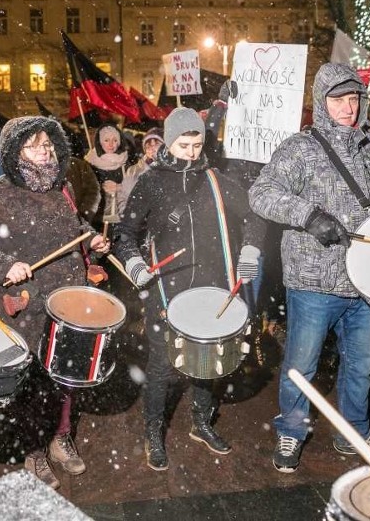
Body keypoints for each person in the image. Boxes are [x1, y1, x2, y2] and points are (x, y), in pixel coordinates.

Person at [249, 62, 370, 473]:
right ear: (322, 102)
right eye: (338, 99)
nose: (348, 106)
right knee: (302, 365)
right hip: (314, 281)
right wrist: (307, 215)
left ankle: (352, 428)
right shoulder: (300, 148)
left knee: (361, 364)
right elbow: (261, 193)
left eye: (354, 97)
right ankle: (292, 429)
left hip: (368, 284)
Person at [0, 115, 110, 489]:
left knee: (65, 375)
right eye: (35, 144)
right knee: (32, 383)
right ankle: (33, 450)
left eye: (48, 143)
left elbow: (76, 230)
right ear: (14, 152)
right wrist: (6, 265)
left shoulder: (61, 187)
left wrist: (92, 242)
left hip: (68, 302)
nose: (46, 149)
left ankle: (59, 438)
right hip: (26, 306)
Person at [115, 107, 266, 471]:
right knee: (162, 367)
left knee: (207, 364)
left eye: (197, 144)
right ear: (169, 142)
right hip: (166, 292)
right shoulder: (150, 183)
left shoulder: (216, 180)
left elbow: (254, 215)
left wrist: (250, 249)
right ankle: (153, 431)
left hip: (211, 289)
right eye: (184, 144)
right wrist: (135, 265)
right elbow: (125, 234)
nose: (192, 152)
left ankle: (200, 422)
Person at [85, 123, 128, 226]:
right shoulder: (89, 163)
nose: (111, 144)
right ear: (100, 141)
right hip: (95, 217)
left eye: (115, 140)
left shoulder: (126, 162)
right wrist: (100, 187)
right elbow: (84, 188)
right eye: (106, 140)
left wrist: (120, 187)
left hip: (120, 218)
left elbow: (134, 188)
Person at [119, 127, 162, 211]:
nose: (152, 148)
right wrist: (125, 214)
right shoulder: (133, 171)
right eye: (148, 145)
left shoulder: (172, 170)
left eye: (156, 144)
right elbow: (123, 196)